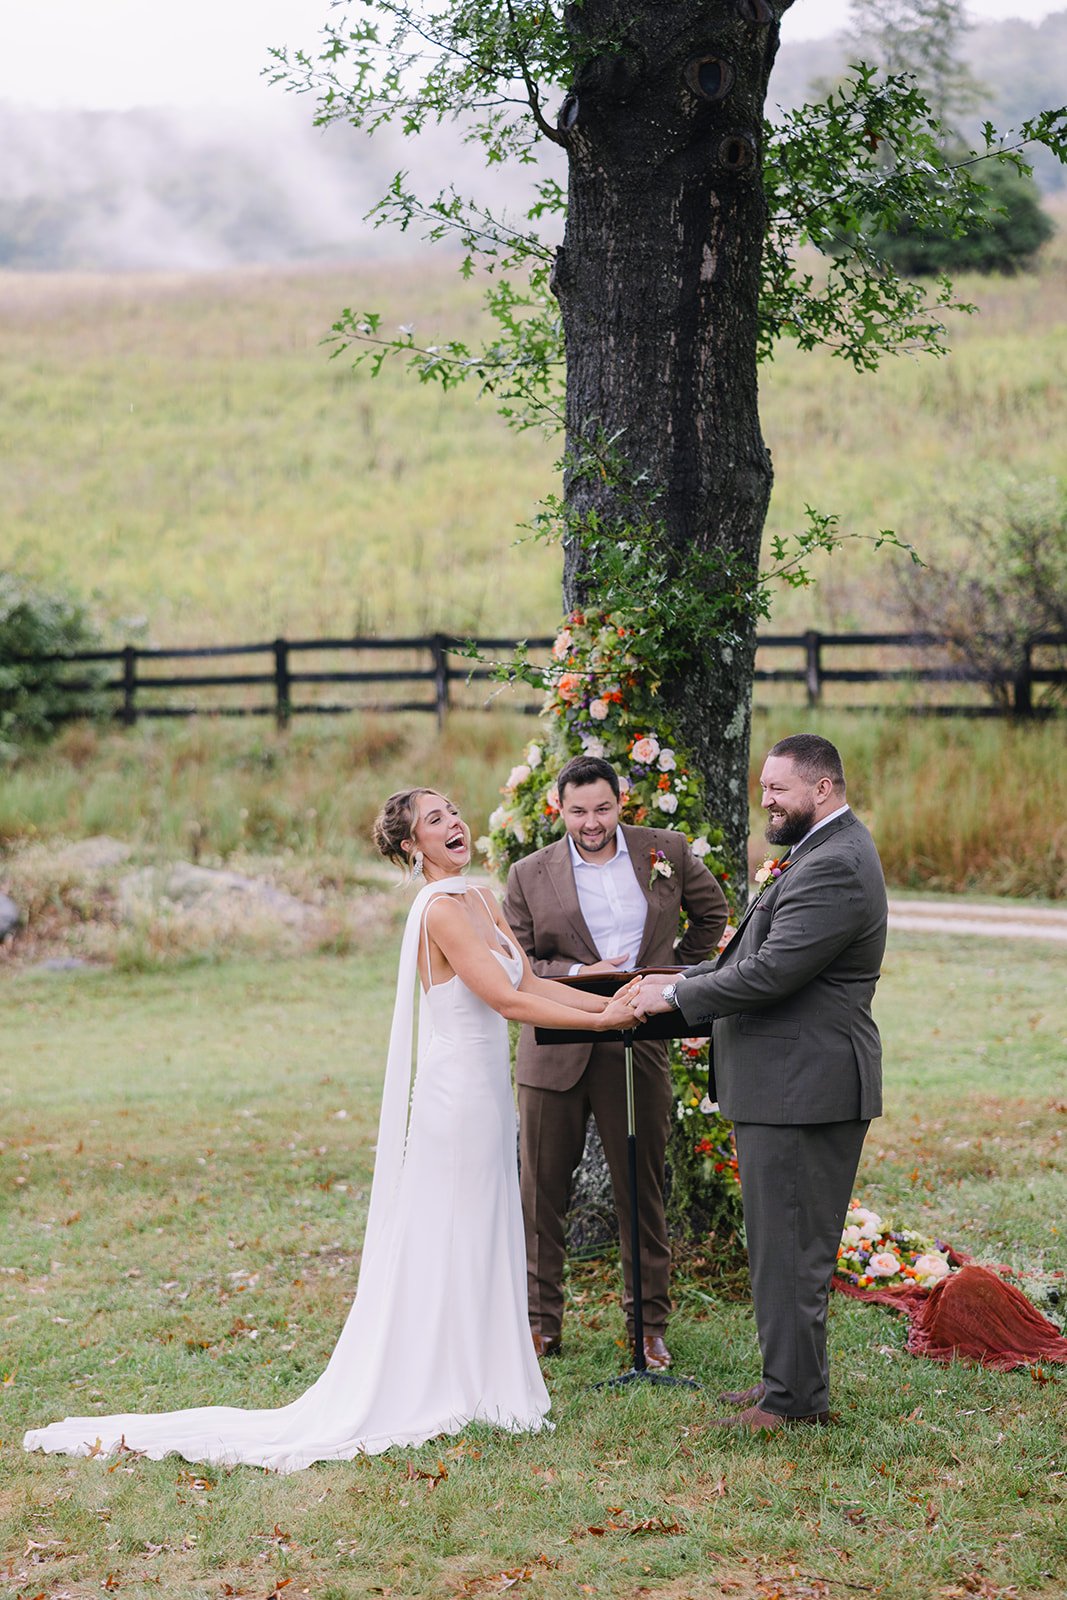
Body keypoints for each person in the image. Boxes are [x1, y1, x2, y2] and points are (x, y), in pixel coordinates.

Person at [24, 788, 636, 1472]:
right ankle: (443, 1379)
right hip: (454, 1092)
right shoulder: (437, 908)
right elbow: (504, 1000)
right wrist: (602, 1022)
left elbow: (530, 979)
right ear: (411, 847)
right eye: (435, 821)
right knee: (454, 1225)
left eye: (454, 812)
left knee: (485, 1222)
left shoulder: (480, 896)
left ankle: (480, 1373)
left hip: (487, 1089)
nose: (455, 823)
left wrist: (613, 1001)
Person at [630, 734, 888, 1431]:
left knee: (793, 1249)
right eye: (763, 786)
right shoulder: (815, 853)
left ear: (823, 789)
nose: (764, 799)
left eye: (777, 787)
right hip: (787, 1085)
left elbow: (774, 971)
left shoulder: (833, 864)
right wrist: (682, 980)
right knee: (779, 1244)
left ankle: (791, 1404)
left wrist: (678, 994)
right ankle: (787, 1384)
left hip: (806, 1089)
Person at [503, 754, 729, 1370]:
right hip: (555, 1048)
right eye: (578, 811)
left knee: (642, 1190)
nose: (591, 822)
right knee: (541, 1193)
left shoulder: (667, 851)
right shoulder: (528, 874)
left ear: (621, 799)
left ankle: (649, 1328)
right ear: (560, 808)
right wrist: (581, 974)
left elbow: (712, 916)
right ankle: (540, 1326)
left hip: (639, 1040)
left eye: (602, 808)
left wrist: (669, 972)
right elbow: (516, 962)